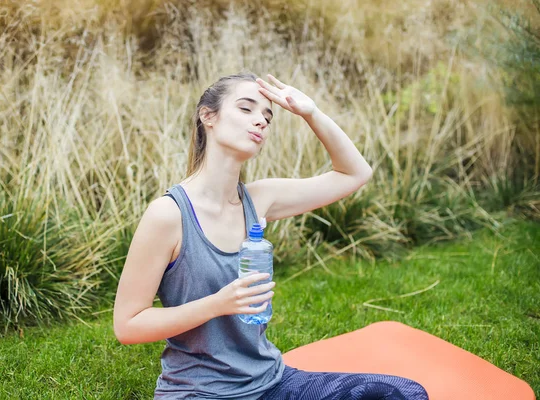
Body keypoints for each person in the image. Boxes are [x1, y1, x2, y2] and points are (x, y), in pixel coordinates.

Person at [113, 72, 429, 400]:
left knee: (402, 394)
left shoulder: (260, 198)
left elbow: (355, 173)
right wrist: (218, 304)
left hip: (271, 383)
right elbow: (128, 325)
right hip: (200, 392)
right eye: (246, 109)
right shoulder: (168, 214)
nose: (261, 121)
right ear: (208, 116)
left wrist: (311, 113)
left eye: (267, 116)